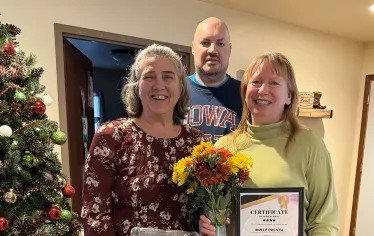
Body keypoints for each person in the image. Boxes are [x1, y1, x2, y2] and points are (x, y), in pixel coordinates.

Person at [198, 52, 339, 236]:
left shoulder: (311, 145)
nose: (262, 90)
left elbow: (324, 222)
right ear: (245, 91)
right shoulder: (223, 148)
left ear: (289, 96)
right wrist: (207, 224)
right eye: (256, 82)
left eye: (274, 82)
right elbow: (213, 214)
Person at [80, 44, 207, 235]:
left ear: (180, 86)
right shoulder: (111, 136)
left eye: (167, 76)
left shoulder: (197, 143)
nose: (159, 85)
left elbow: (206, 208)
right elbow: (95, 215)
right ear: (136, 86)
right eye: (149, 76)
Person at [184, 17, 242, 143]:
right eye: (205, 43)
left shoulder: (246, 93)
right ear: (193, 48)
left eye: (220, 44)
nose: (212, 50)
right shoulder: (175, 90)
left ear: (229, 49)